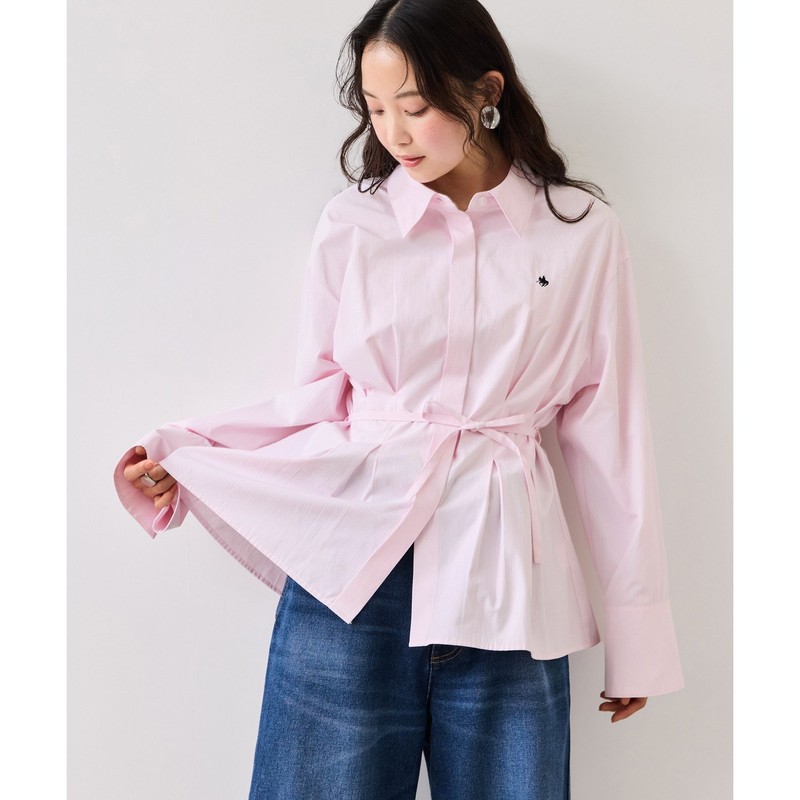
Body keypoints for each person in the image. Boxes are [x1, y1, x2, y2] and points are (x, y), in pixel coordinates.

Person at [114, 1, 684, 797]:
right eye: (376, 109)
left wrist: (638, 639)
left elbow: (611, 445)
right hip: (354, 576)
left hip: (510, 586)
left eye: (414, 108)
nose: (394, 134)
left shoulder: (582, 232)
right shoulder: (355, 223)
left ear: (486, 91)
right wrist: (194, 457)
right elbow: (318, 403)